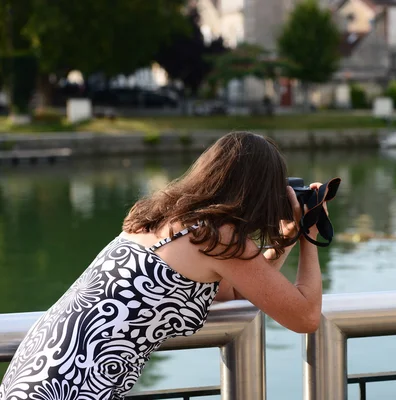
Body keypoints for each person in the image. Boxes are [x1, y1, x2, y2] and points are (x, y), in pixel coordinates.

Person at [0, 131, 326, 400]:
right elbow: (306, 317)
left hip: (34, 375)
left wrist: (286, 238)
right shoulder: (221, 238)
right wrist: (309, 234)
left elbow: (237, 291)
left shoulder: (160, 219)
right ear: (259, 192)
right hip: (73, 389)